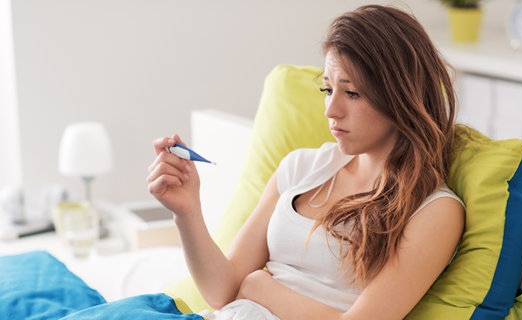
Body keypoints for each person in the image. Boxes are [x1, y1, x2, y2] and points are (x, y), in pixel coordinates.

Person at [146, 4, 465, 320]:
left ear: (401, 95)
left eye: (352, 93)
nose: (331, 110)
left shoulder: (434, 211)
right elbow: (221, 292)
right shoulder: (301, 168)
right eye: (328, 89)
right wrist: (186, 212)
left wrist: (260, 287)